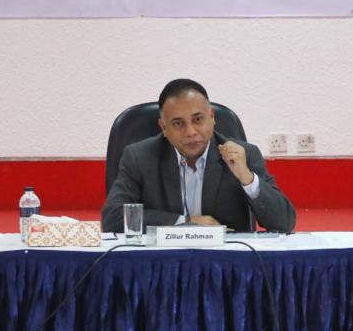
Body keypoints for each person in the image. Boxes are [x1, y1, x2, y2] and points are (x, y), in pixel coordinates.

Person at [102, 79, 296, 233]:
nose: (191, 132)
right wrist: (185, 222)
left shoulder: (244, 155)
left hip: (225, 263)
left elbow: (285, 223)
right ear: (164, 128)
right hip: (164, 261)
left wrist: (247, 178)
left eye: (198, 119)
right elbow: (113, 218)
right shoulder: (139, 157)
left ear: (212, 117)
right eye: (178, 123)